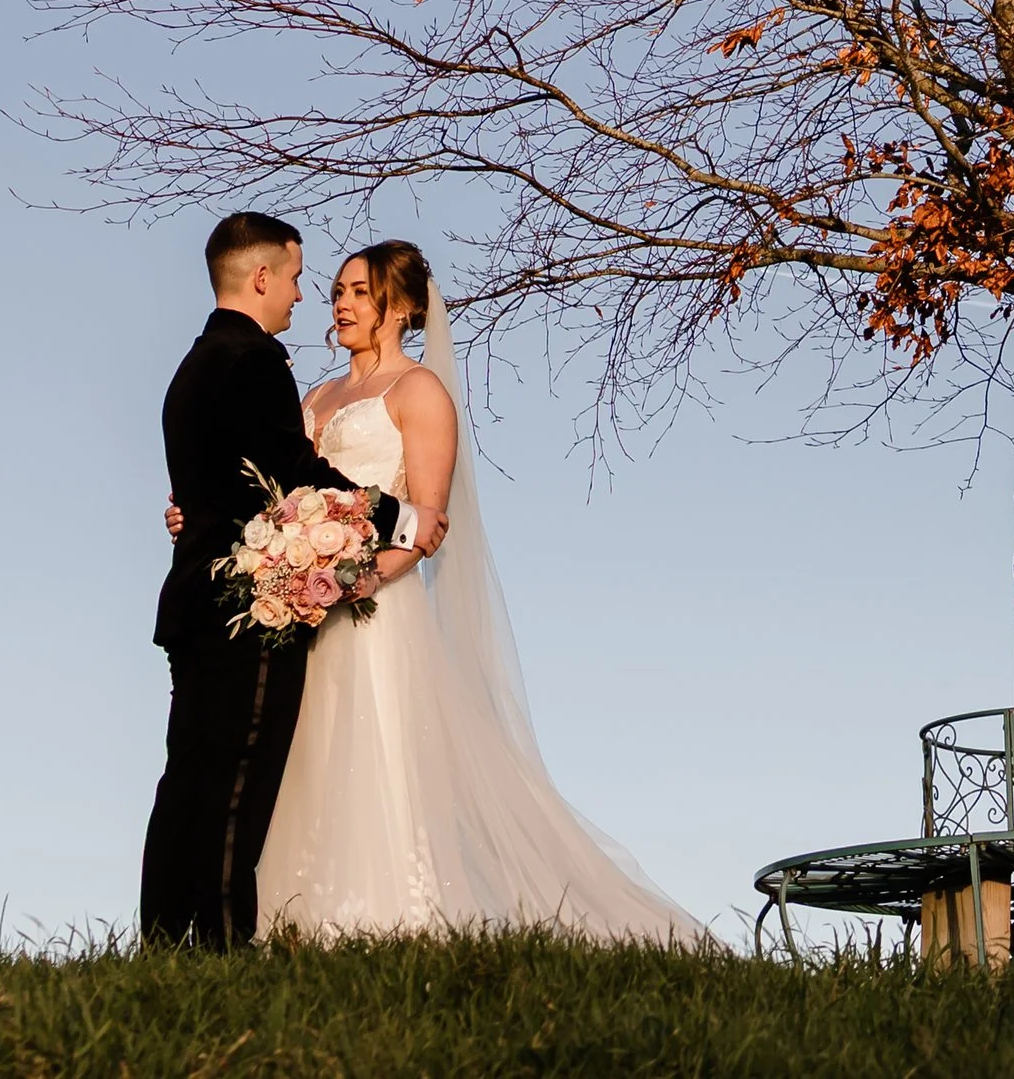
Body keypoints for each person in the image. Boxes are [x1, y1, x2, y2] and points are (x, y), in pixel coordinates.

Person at [251, 238, 701, 940]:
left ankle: (393, 921)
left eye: (358, 291)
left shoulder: (419, 391)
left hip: (373, 608)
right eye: (337, 289)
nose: (340, 303)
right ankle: (291, 922)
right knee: (305, 758)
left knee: (375, 753)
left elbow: (428, 521)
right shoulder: (316, 397)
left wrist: (349, 585)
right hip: (308, 608)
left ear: (398, 307)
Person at [140, 211, 378, 949]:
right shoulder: (254, 361)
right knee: (238, 783)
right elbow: (291, 478)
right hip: (248, 607)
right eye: (300, 278)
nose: (303, 297)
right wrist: (386, 513)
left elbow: (210, 486)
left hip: (193, 600)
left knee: (186, 780)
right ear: (262, 275)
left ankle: (162, 939)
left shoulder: (193, 365)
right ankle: (218, 945)